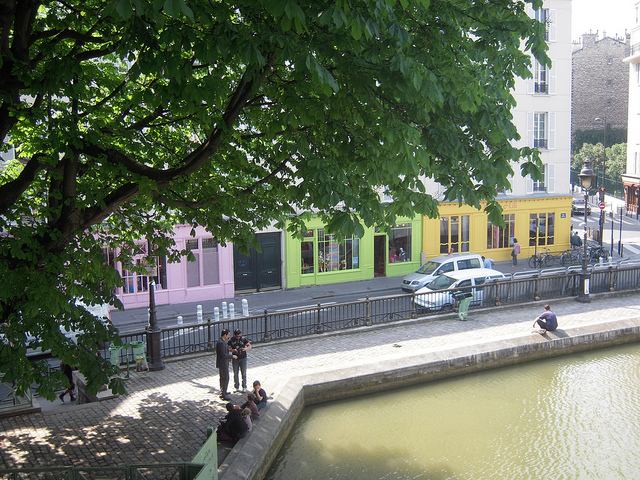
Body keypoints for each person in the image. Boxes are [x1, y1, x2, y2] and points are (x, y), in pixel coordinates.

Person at [216, 329, 236, 401]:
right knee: (225, 378)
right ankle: (223, 394)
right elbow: (223, 355)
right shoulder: (221, 343)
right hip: (223, 363)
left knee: (223, 378)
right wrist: (232, 356)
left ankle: (223, 391)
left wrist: (231, 350)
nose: (229, 336)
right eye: (228, 335)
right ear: (225, 335)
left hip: (224, 363)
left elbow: (225, 350)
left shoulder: (222, 341)